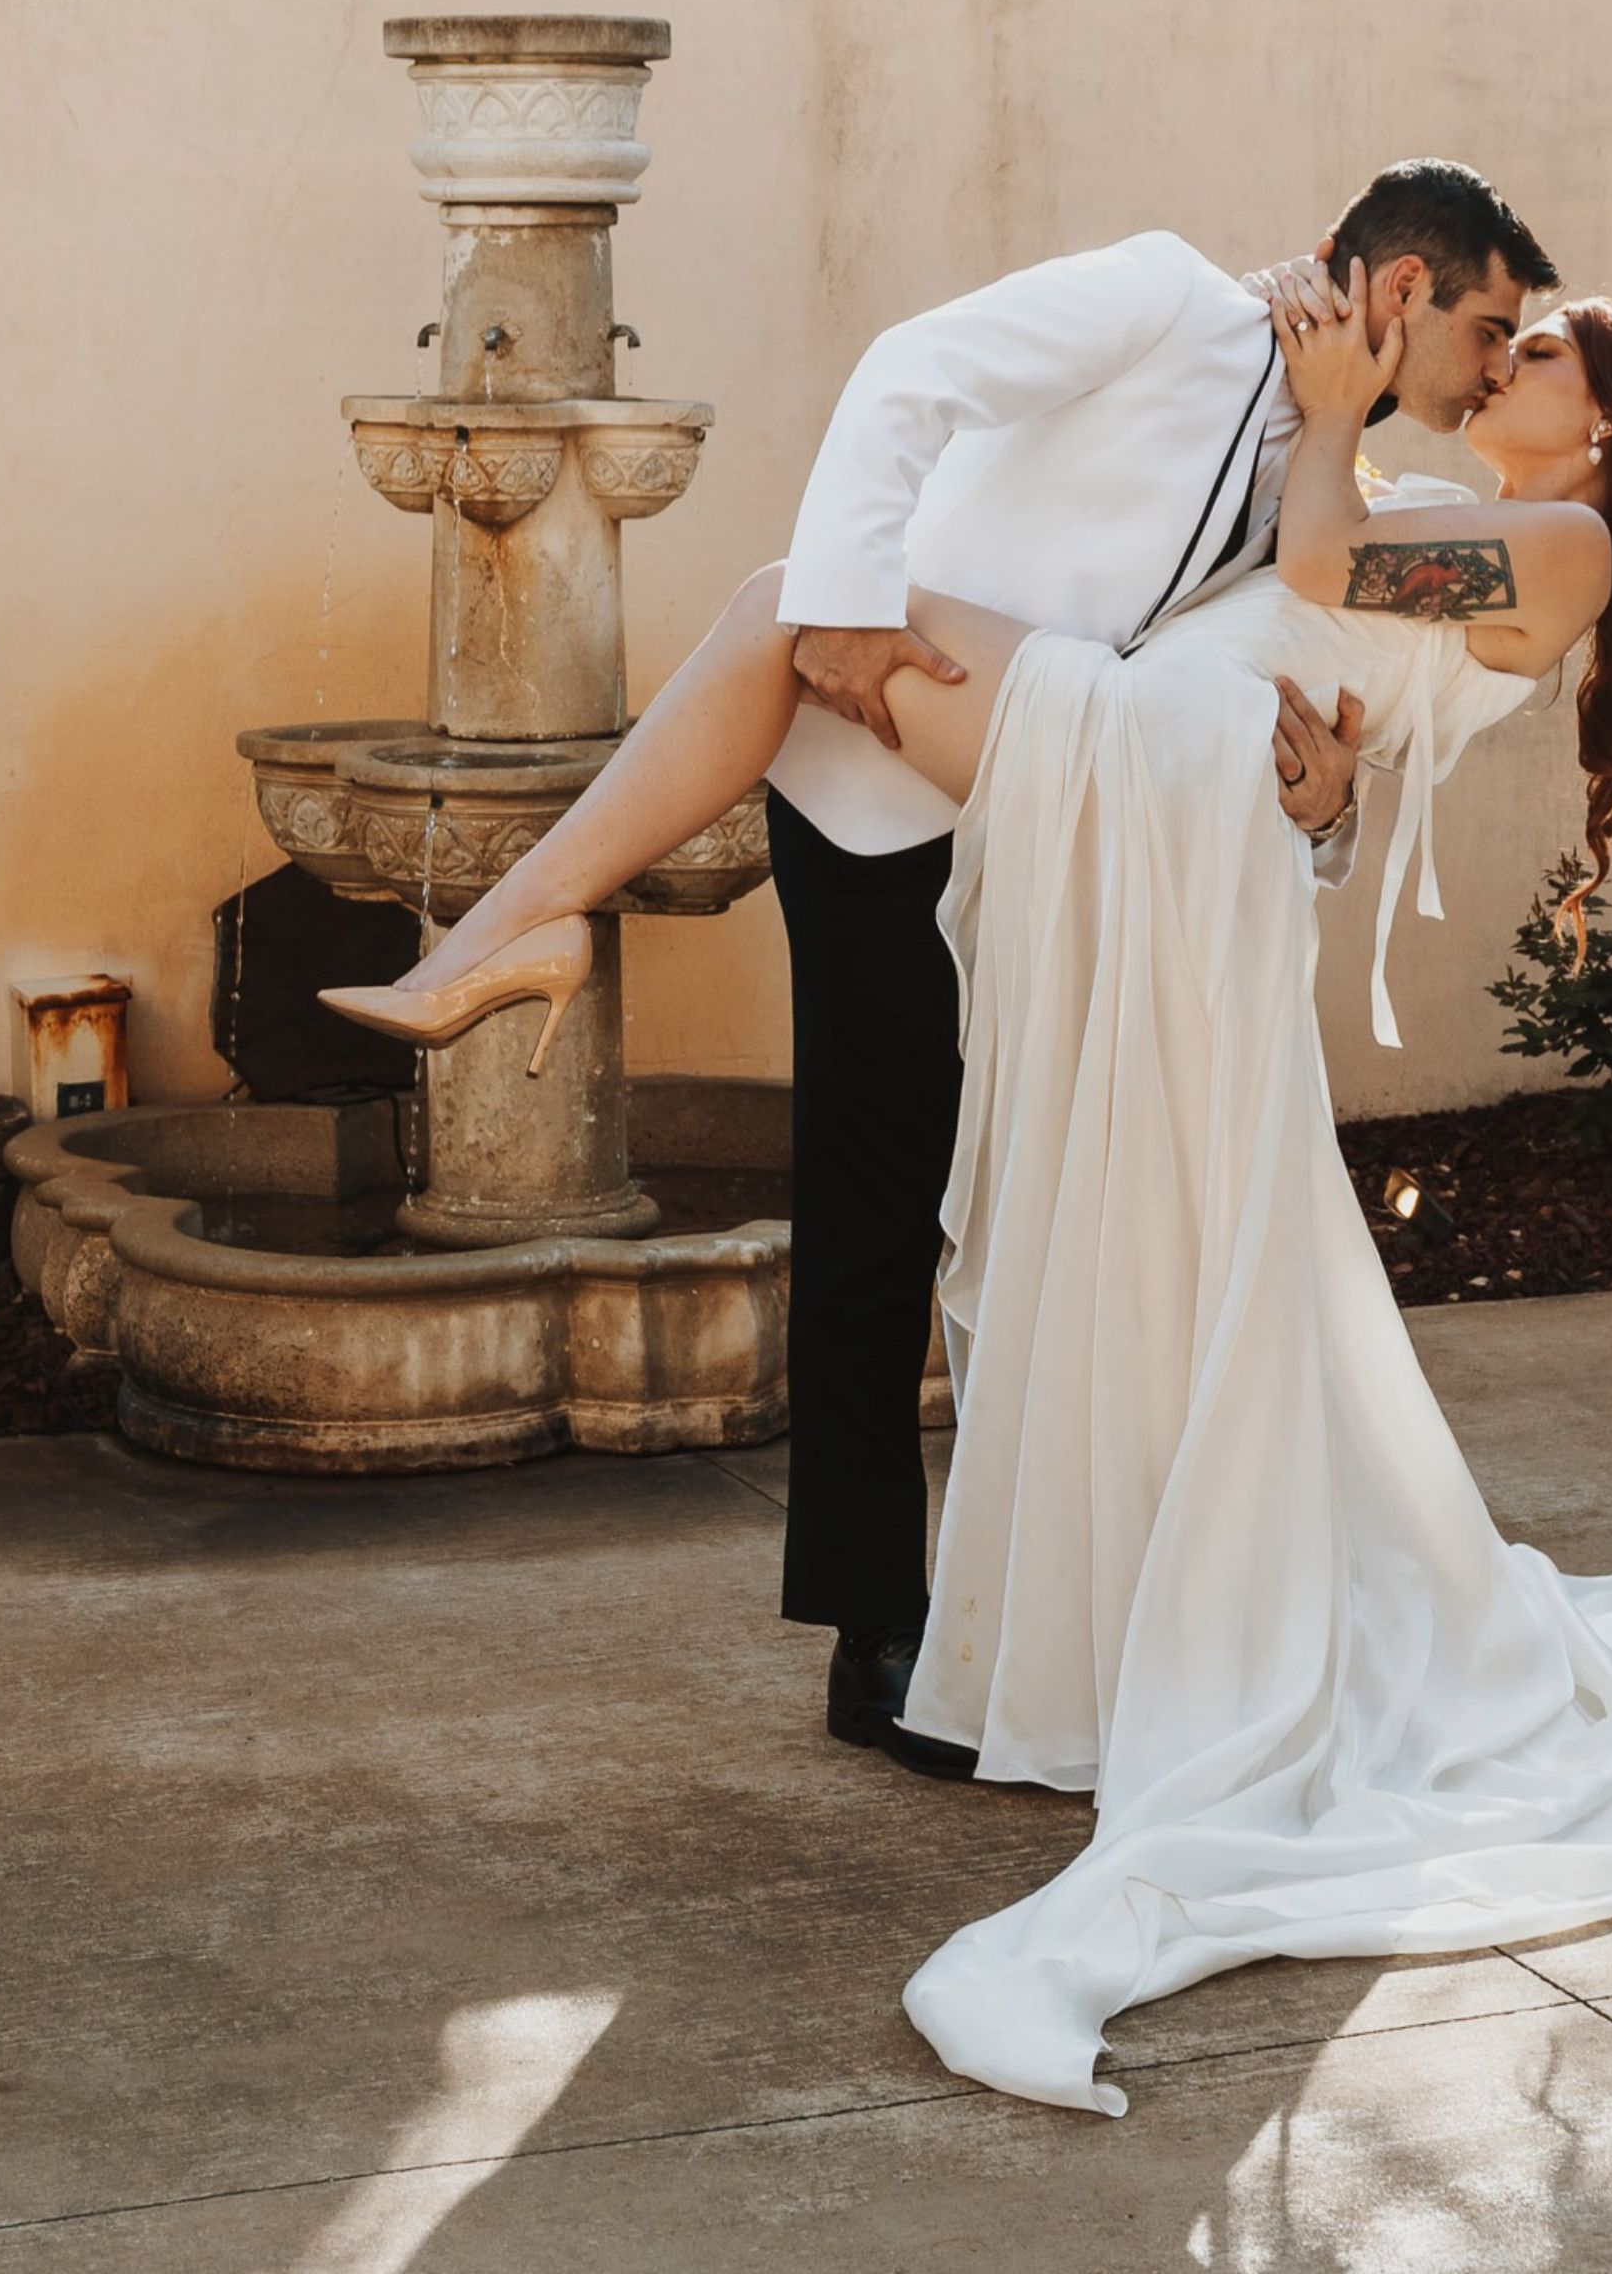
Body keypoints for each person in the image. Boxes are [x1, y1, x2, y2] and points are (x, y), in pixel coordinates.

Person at [337, 256, 1612, 2112]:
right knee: (843, 712)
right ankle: (534, 939)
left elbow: (1321, 571)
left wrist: (1329, 424)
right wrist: (1332, 634)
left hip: (1166, 772)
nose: (1497, 365)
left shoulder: (1563, 550)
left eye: (1534, 352)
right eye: (1500, 334)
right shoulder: (1462, 510)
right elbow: (1328, 636)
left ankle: (520, 927)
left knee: (782, 611)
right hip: (1178, 776)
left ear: (1604, 427)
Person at [347, 164, 1535, 1771]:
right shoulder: (1165, 298)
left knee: (1059, 1238)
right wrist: (845, 607)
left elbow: (1262, 706)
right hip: (877, 795)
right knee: (876, 1216)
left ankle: (1041, 1633)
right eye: (1488, 328)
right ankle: (874, 1635)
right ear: (1400, 290)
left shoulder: (1343, 496)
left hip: (1061, 855)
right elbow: (911, 372)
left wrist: (1326, 817)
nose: (1492, 371)